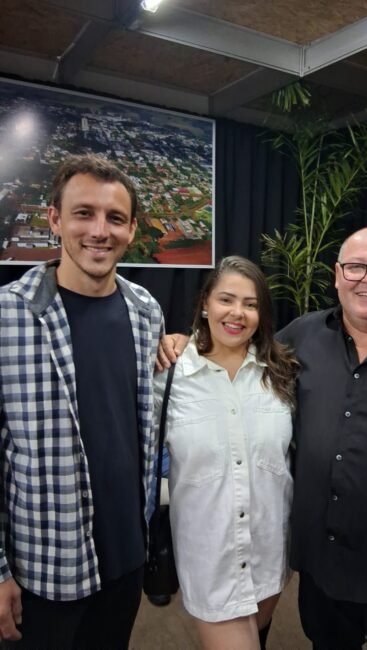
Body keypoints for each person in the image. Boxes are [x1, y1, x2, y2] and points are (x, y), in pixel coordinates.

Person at [161, 227, 367, 650]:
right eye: (355, 267)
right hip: (322, 572)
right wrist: (185, 344)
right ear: (337, 275)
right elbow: (233, 354)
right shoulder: (301, 339)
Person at [0, 154, 164, 649]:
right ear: (54, 219)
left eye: (115, 218)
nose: (99, 231)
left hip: (126, 558)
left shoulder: (146, 312)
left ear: (131, 229)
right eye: (83, 213)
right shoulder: (8, 316)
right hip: (44, 569)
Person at [154, 256, 298, 650]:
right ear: (205, 303)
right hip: (210, 558)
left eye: (251, 304)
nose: (237, 313)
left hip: (269, 552)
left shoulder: (281, 372)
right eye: (226, 300)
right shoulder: (169, 374)